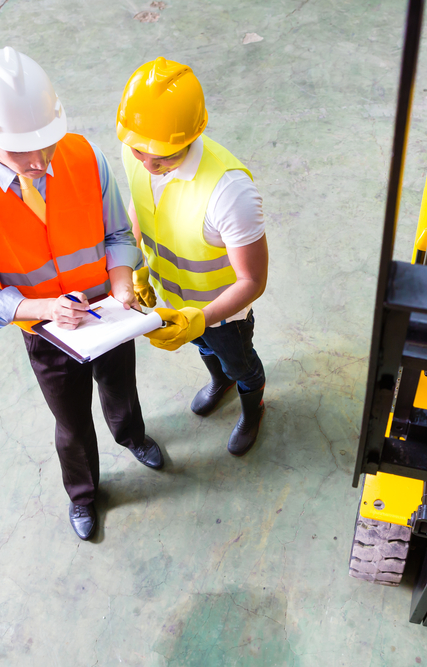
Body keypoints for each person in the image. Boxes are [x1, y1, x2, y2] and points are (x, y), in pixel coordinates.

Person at [0, 47, 164, 541]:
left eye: (47, 145)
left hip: (111, 312)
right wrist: (44, 309)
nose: (40, 163)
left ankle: (132, 435)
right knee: (72, 421)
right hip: (45, 332)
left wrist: (121, 284)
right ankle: (83, 494)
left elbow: (119, 236)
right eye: (21, 152)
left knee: (121, 387)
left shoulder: (82, 155)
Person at [117, 58, 268, 456]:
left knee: (240, 361)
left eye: (162, 156)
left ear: (193, 133)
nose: (147, 164)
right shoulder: (138, 149)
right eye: (138, 151)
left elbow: (252, 281)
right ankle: (222, 382)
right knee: (203, 347)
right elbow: (140, 204)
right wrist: (137, 268)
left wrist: (200, 317)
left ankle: (252, 408)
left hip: (223, 312)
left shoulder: (229, 192)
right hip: (174, 299)